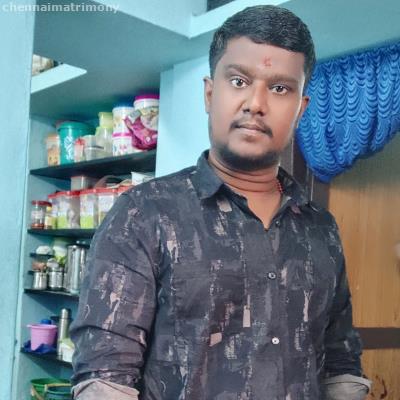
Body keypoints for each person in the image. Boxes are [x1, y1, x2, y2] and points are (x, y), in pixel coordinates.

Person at [71, 5, 371, 399]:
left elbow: (340, 364)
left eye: (280, 89)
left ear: (301, 110)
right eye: (239, 80)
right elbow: (105, 379)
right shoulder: (144, 213)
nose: (256, 103)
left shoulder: (321, 228)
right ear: (211, 94)